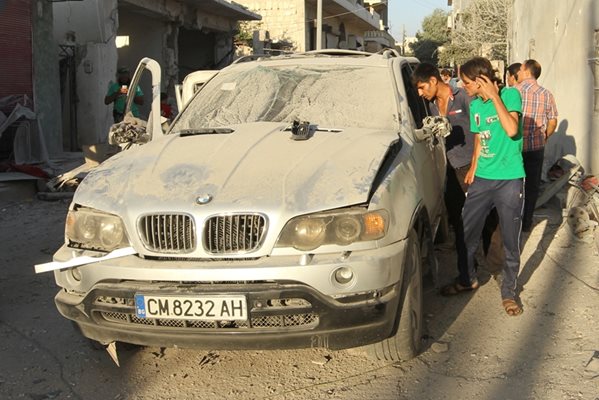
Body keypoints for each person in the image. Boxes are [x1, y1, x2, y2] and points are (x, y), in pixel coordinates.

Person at [460, 57, 525, 316]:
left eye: (466, 82)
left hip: (509, 178)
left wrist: (494, 96)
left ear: (480, 81)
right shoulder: (475, 105)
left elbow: (511, 129)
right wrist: (474, 167)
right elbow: (478, 138)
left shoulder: (510, 95)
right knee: (467, 231)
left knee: (510, 237)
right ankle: (468, 278)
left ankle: (509, 292)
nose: (463, 87)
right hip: (483, 179)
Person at [412, 63, 474, 291]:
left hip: (470, 167)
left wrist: (476, 166)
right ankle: (468, 272)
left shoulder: (463, 96)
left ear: (433, 80)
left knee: (482, 219)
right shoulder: (430, 106)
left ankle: (495, 267)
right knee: (459, 221)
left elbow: (478, 131)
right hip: (448, 167)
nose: (420, 93)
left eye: (421, 87)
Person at [517, 59, 558, 232]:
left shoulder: (513, 92)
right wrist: (545, 137)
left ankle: (514, 223)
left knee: (514, 187)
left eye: (520, 69)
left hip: (515, 148)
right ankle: (527, 223)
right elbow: (553, 121)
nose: (518, 72)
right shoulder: (546, 94)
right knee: (532, 186)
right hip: (536, 148)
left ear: (526, 71)